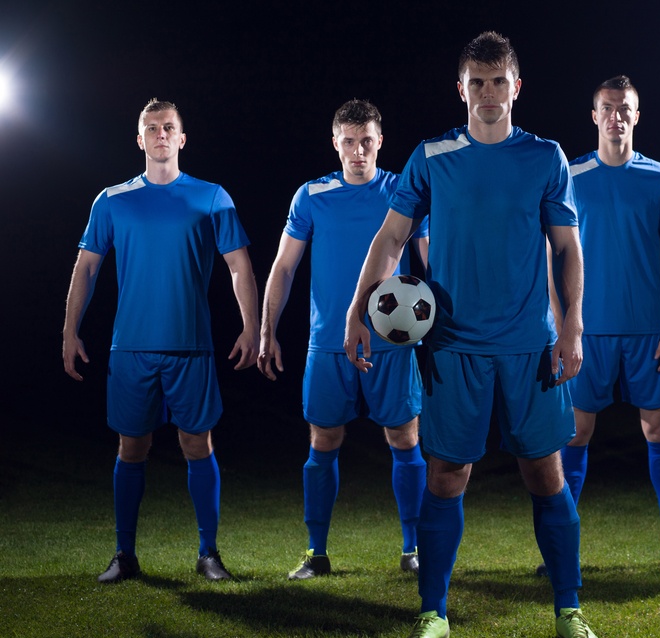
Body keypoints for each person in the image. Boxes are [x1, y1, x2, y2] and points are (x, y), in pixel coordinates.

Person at [345, 31, 601, 638]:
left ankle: (569, 608)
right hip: (452, 346)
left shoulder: (546, 157)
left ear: (517, 87)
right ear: (461, 89)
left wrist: (572, 324)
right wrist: (359, 309)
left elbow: (567, 247)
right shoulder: (432, 157)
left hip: (528, 344)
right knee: (446, 475)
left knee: (546, 473)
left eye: (499, 82)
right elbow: (390, 240)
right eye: (477, 83)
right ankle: (433, 613)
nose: (488, 94)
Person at [62, 98, 259, 583]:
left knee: (198, 443)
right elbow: (87, 266)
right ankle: (124, 556)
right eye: (151, 128)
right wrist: (69, 330)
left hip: (191, 346)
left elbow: (239, 266)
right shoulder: (112, 199)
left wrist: (253, 326)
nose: (160, 134)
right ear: (139, 139)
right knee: (132, 447)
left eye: (168, 127)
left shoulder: (212, 197)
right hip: (131, 347)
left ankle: (208, 554)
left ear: (182, 137)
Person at [258, 99, 429, 579]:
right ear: (336, 143)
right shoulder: (312, 195)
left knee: (404, 437)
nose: (358, 151)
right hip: (328, 342)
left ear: (380, 141)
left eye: (367, 141)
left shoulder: (402, 191)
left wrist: (439, 318)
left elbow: (430, 259)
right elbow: (284, 266)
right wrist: (268, 329)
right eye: (349, 142)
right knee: (324, 439)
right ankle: (316, 553)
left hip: (393, 343)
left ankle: (413, 549)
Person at [549, 74, 660, 575]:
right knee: (575, 434)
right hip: (586, 332)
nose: (616, 115)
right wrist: (560, 323)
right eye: (607, 107)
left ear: (637, 116)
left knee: (659, 428)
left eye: (625, 108)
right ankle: (562, 547)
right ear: (594, 116)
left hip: (647, 330)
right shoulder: (570, 176)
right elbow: (551, 254)